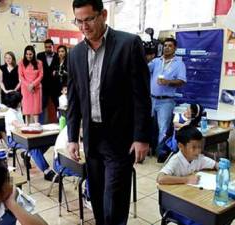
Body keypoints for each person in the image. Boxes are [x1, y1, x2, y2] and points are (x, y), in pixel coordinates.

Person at [67, 1, 152, 224]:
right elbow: (74, 99)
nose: (84, 26)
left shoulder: (128, 44)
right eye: (79, 21)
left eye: (89, 19)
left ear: (103, 14)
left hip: (119, 139)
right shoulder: (75, 54)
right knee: (96, 195)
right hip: (91, 138)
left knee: (114, 199)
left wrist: (141, 136)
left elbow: (141, 96)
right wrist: (72, 137)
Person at [157, 125, 217, 225]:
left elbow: (215, 164)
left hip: (191, 201)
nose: (198, 151)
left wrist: (221, 166)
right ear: (181, 146)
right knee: (203, 221)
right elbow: (160, 178)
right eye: (193, 147)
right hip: (175, 205)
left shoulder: (197, 158)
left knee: (212, 217)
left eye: (199, 147)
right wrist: (186, 180)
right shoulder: (176, 160)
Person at [4, 91, 57, 182]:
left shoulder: (18, 110)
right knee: (34, 147)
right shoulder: (10, 113)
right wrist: (31, 126)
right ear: (17, 103)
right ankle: (47, 172)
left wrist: (31, 125)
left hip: (23, 135)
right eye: (20, 101)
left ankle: (27, 154)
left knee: (46, 141)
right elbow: (17, 125)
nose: (22, 102)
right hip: (13, 139)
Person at [149, 37, 187, 143]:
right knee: (147, 125)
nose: (167, 48)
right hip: (151, 99)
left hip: (166, 102)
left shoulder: (179, 64)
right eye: (165, 46)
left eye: (170, 46)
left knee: (163, 129)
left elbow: (182, 81)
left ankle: (160, 153)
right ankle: (146, 151)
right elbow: (144, 69)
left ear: (175, 48)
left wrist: (168, 82)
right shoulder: (156, 61)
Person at [18, 45, 43, 125]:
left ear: (33, 54)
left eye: (30, 54)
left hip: (36, 88)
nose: (28, 56)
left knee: (36, 108)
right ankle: (27, 124)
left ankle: (36, 124)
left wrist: (33, 84)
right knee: (26, 108)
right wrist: (28, 85)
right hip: (25, 88)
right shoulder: (21, 63)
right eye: (27, 54)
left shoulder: (39, 63)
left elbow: (41, 75)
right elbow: (21, 76)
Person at [37, 39, 60, 123]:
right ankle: (40, 124)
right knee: (42, 106)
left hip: (56, 86)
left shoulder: (58, 56)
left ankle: (60, 123)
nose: (48, 49)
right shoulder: (40, 56)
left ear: (53, 47)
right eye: (46, 47)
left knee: (59, 106)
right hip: (44, 86)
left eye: (49, 47)